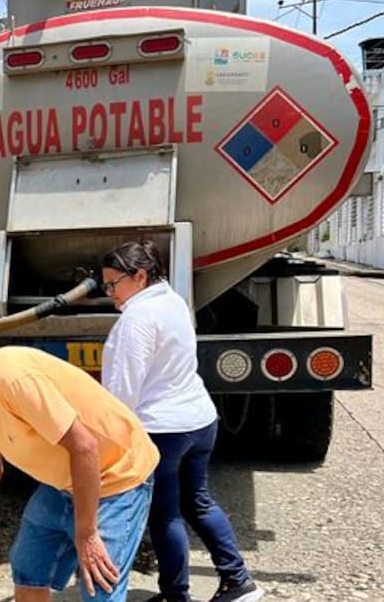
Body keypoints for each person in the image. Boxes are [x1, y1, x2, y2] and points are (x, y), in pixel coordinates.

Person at [0, 330, 160, 602]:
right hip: (63, 482)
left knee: (99, 586)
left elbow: (84, 447)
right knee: (28, 567)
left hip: (117, 476)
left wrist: (87, 533)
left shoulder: (15, 378)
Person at [100, 241, 263, 602]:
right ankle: (238, 581)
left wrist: (108, 441)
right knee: (198, 502)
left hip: (163, 429)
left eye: (113, 284)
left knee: (165, 515)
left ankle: (176, 595)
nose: (109, 293)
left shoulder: (136, 319)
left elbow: (123, 391)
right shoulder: (172, 300)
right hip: (200, 421)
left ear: (139, 276)